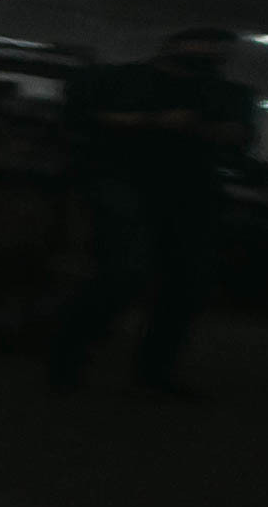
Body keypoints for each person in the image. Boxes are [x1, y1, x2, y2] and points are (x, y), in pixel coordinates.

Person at [49, 28, 255, 395]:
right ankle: (67, 357)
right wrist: (154, 121)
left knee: (185, 284)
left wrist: (204, 129)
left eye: (217, 50)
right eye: (203, 46)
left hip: (191, 191)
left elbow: (240, 136)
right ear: (173, 46)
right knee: (126, 270)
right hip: (121, 181)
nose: (209, 54)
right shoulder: (118, 79)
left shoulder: (228, 93)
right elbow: (80, 118)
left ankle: (153, 373)